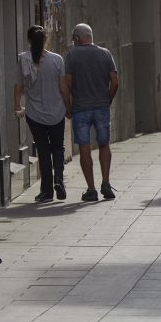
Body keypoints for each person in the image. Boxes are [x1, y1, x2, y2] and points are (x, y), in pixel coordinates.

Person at [62, 24, 119, 202]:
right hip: (101, 107)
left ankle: (91, 189)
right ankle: (106, 183)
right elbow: (115, 81)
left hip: (80, 108)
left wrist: (68, 106)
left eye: (73, 38)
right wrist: (108, 99)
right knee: (104, 145)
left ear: (77, 38)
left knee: (84, 148)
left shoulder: (71, 55)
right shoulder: (106, 53)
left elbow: (67, 83)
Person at [14, 25, 68, 203]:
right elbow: (63, 88)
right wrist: (68, 106)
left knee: (43, 150)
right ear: (45, 40)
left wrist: (17, 107)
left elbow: (18, 87)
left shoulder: (23, 59)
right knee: (58, 147)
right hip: (57, 112)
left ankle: (47, 191)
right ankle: (59, 179)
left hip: (35, 114)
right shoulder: (57, 60)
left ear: (29, 40)